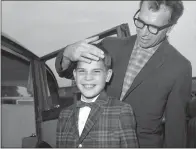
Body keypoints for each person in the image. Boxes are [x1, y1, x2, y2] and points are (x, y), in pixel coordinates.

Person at [55, 0, 192, 147]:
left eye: (154, 28)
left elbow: (176, 131)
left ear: (169, 28)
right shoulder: (110, 46)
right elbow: (70, 72)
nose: (144, 32)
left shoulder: (179, 67)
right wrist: (68, 54)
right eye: (140, 22)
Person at [56, 44, 139, 148]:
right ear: (75, 75)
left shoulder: (122, 111)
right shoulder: (64, 115)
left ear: (107, 76)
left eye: (96, 71)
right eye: (82, 71)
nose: (88, 77)